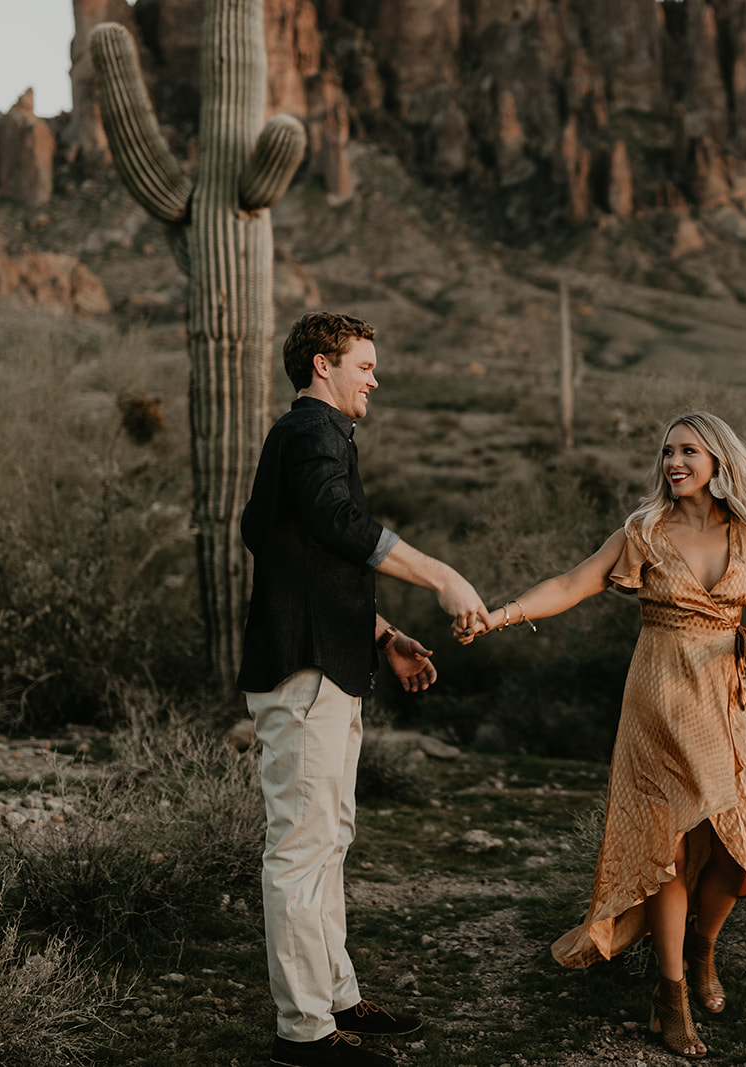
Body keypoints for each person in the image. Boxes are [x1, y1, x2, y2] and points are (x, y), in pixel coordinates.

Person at [459, 411, 746, 1059]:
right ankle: (672, 993)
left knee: (731, 849)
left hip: (725, 697)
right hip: (659, 698)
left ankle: (704, 950)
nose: (674, 461)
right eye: (667, 451)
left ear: (719, 460)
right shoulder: (644, 531)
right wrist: (504, 615)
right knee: (668, 845)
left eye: (688, 450)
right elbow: (575, 582)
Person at [237, 311, 491, 1067]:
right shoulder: (311, 434)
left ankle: (336, 996)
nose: (375, 378)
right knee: (300, 849)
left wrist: (382, 633)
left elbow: (294, 552)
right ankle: (304, 1034)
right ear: (324, 364)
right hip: (305, 674)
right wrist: (443, 575)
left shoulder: (308, 440)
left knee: (329, 841)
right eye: (366, 365)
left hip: (331, 666)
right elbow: (340, 524)